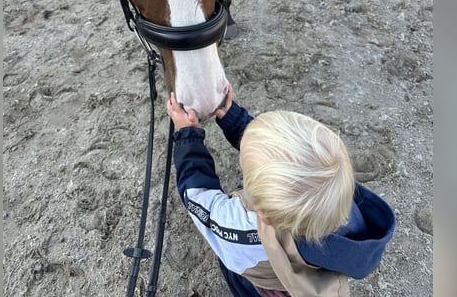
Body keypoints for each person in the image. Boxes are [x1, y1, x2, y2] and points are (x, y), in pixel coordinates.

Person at [166, 84, 396, 297]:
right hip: (306, 279)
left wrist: (188, 135)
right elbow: (283, 158)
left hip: (267, 286)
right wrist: (232, 117)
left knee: (237, 275)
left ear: (265, 217)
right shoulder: (338, 199)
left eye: (246, 171)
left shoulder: (245, 227)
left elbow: (200, 197)